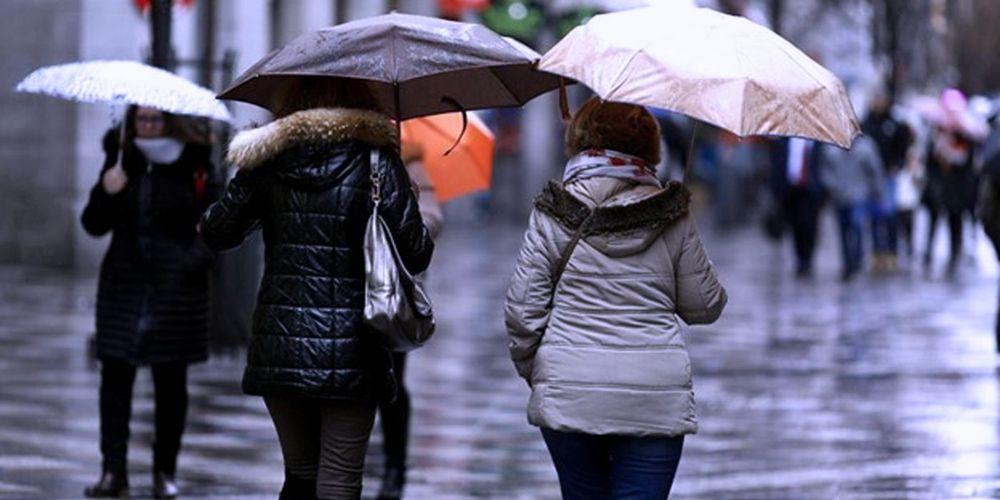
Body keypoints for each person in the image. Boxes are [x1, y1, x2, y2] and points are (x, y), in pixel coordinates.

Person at [199, 81, 434, 500]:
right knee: (339, 481)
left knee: (300, 475)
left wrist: (249, 180)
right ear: (362, 103)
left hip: (281, 343)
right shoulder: (379, 161)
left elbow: (216, 231)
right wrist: (407, 203)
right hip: (354, 348)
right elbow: (416, 254)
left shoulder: (267, 161)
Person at [504, 97, 727, 499]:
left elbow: (523, 312)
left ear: (581, 140)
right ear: (650, 147)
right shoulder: (672, 211)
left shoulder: (554, 208)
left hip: (569, 391)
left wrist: (540, 372)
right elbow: (705, 305)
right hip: (653, 397)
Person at [81, 106, 218, 498]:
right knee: (115, 377)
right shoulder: (122, 158)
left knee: (171, 384)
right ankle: (113, 471)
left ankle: (164, 472)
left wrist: (189, 262)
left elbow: (217, 223)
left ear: (170, 122)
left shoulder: (195, 163)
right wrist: (107, 192)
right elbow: (93, 224)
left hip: (177, 292)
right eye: (142, 120)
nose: (149, 127)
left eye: (156, 120)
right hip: (123, 286)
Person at [376, 140, 443, 500]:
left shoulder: (409, 159)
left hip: (393, 293)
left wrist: (401, 208)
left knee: (392, 383)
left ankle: (394, 467)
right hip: (349, 289)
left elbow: (432, 220)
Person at [820, 135, 886, 281]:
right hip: (840, 197)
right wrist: (831, 186)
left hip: (859, 196)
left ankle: (856, 259)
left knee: (856, 226)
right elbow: (826, 170)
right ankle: (847, 262)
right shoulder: (831, 147)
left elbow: (875, 171)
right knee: (843, 230)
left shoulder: (866, 147)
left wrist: (878, 193)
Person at [769, 137, 826, 277]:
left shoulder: (818, 144)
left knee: (809, 225)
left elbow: (822, 166)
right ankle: (800, 258)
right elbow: (778, 164)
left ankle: (807, 259)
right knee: (796, 226)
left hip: (811, 191)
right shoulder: (785, 141)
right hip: (791, 190)